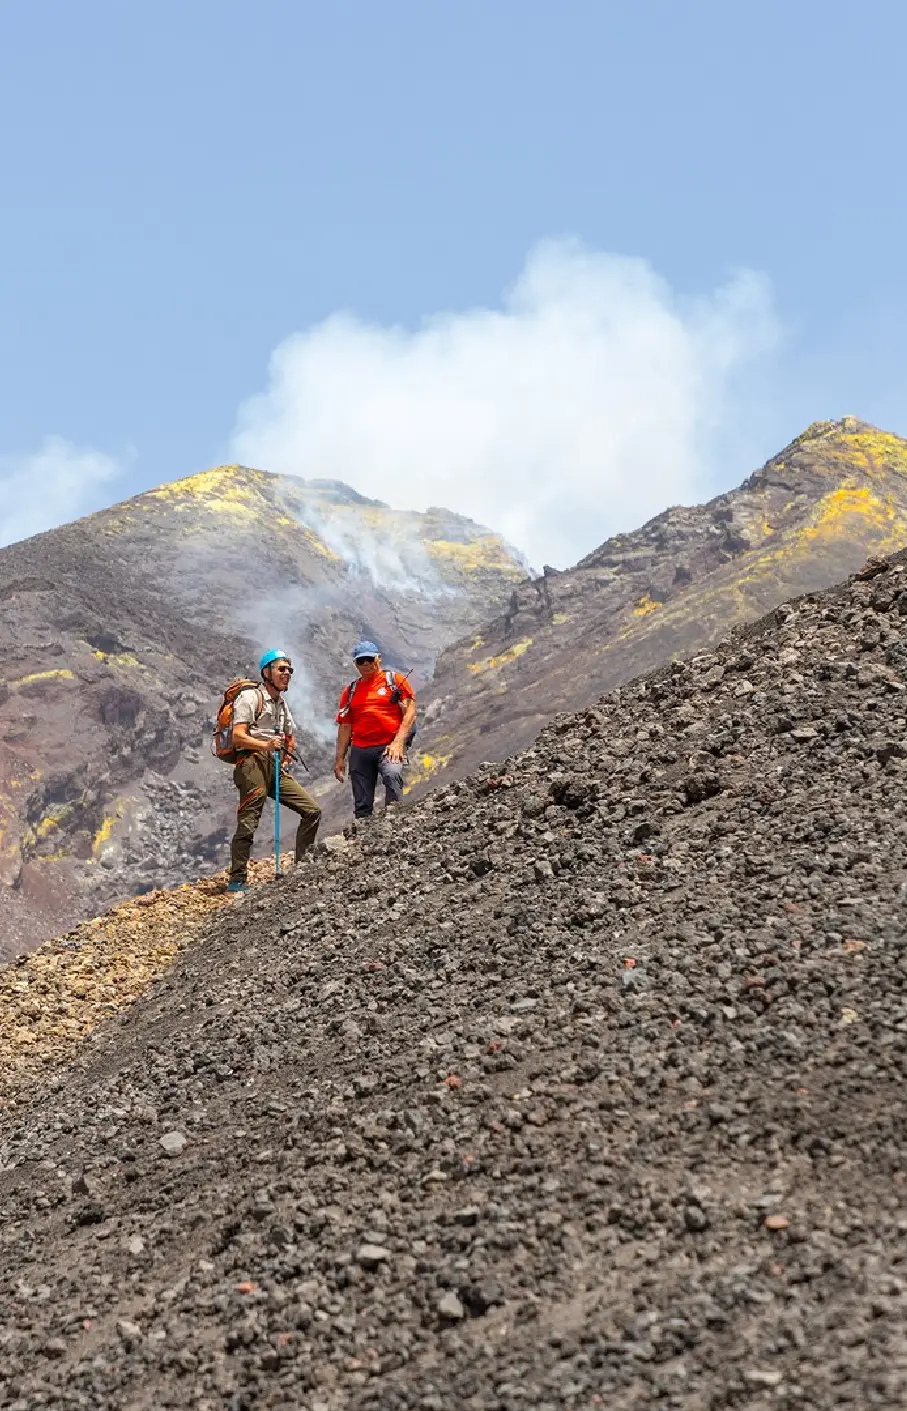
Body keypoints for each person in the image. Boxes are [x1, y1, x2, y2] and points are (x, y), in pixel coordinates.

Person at [228, 649, 321, 891]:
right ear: (266, 672)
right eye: (282, 669)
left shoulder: (281, 704)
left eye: (290, 670)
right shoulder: (250, 698)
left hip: (274, 764)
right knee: (249, 822)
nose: (287, 674)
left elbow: (289, 735)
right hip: (251, 763)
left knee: (312, 811)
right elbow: (238, 737)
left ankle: (302, 867)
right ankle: (237, 880)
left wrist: (286, 755)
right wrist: (266, 745)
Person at [333, 640, 416, 820]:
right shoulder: (351, 691)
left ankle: (394, 822)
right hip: (360, 749)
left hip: (389, 745)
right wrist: (340, 758)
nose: (365, 665)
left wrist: (398, 743)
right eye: (360, 661)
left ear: (378, 659)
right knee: (361, 801)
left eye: (369, 660)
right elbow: (346, 725)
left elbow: (410, 713)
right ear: (355, 664)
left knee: (392, 775)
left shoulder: (395, 681)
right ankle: (363, 837)